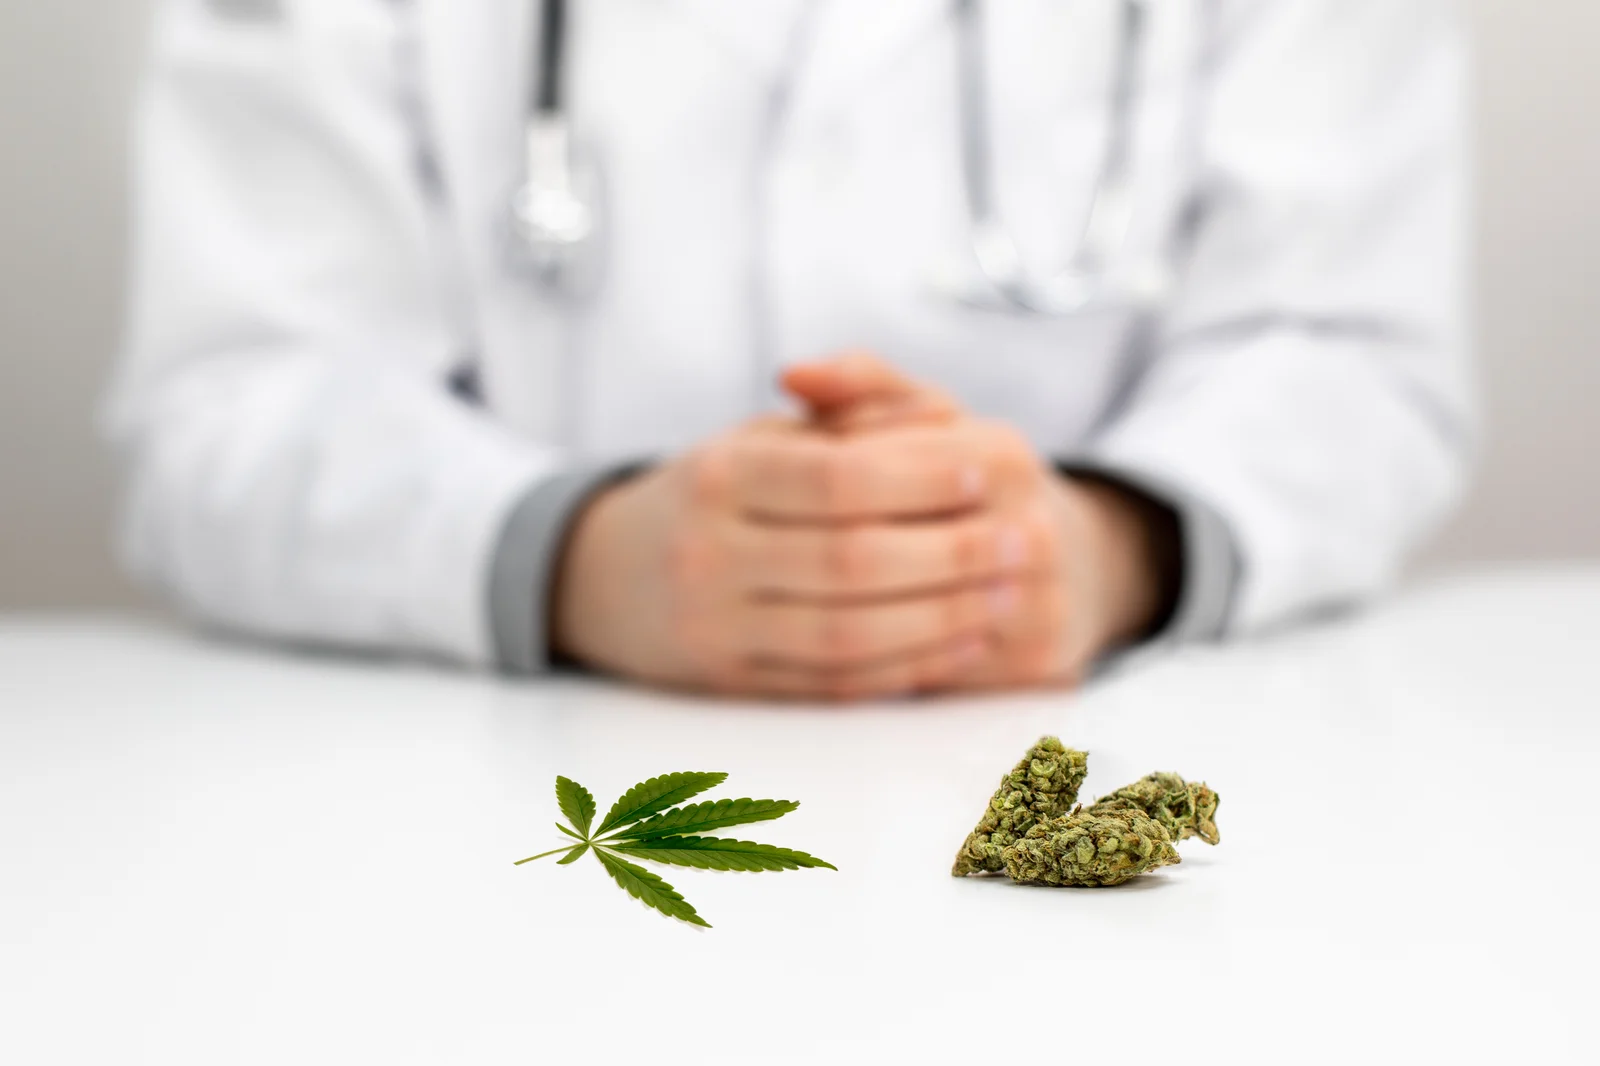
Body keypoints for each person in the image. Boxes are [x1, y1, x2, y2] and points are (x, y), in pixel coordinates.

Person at [107, 1, 1473, 700]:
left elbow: (1355, 357)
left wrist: (1101, 548)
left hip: (1100, 740)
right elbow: (230, 398)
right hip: (498, 801)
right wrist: (573, 558)